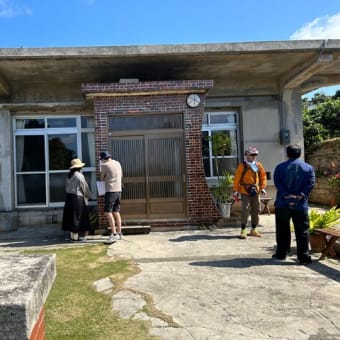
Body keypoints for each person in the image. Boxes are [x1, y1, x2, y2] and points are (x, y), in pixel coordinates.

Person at [272, 144, 315, 265]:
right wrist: (300, 195)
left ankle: (282, 253)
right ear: (300, 153)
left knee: (282, 229)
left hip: (282, 203)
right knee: (302, 230)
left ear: (287, 153)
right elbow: (311, 183)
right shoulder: (308, 168)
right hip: (300, 204)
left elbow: (277, 183)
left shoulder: (280, 167)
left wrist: (286, 195)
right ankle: (303, 256)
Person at [233, 146, 267, 239]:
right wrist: (236, 191)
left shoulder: (258, 165)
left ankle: (254, 229)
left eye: (254, 155)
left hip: (256, 191)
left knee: (256, 210)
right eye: (251, 154)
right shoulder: (242, 165)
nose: (253, 156)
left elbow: (263, 177)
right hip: (245, 190)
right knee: (245, 209)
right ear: (246, 155)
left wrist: (263, 188)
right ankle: (243, 230)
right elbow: (237, 179)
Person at [62, 158, 92, 242]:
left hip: (68, 198)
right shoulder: (79, 176)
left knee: (71, 217)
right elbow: (85, 188)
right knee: (79, 218)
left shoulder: (68, 176)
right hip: (77, 198)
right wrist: (89, 196)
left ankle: (73, 237)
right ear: (79, 167)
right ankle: (77, 238)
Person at [100, 151, 123, 244]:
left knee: (107, 212)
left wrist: (107, 178)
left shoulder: (105, 165)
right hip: (119, 190)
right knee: (116, 211)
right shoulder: (117, 163)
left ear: (103, 159)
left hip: (110, 190)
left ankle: (113, 234)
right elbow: (121, 175)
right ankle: (119, 232)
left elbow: (102, 178)